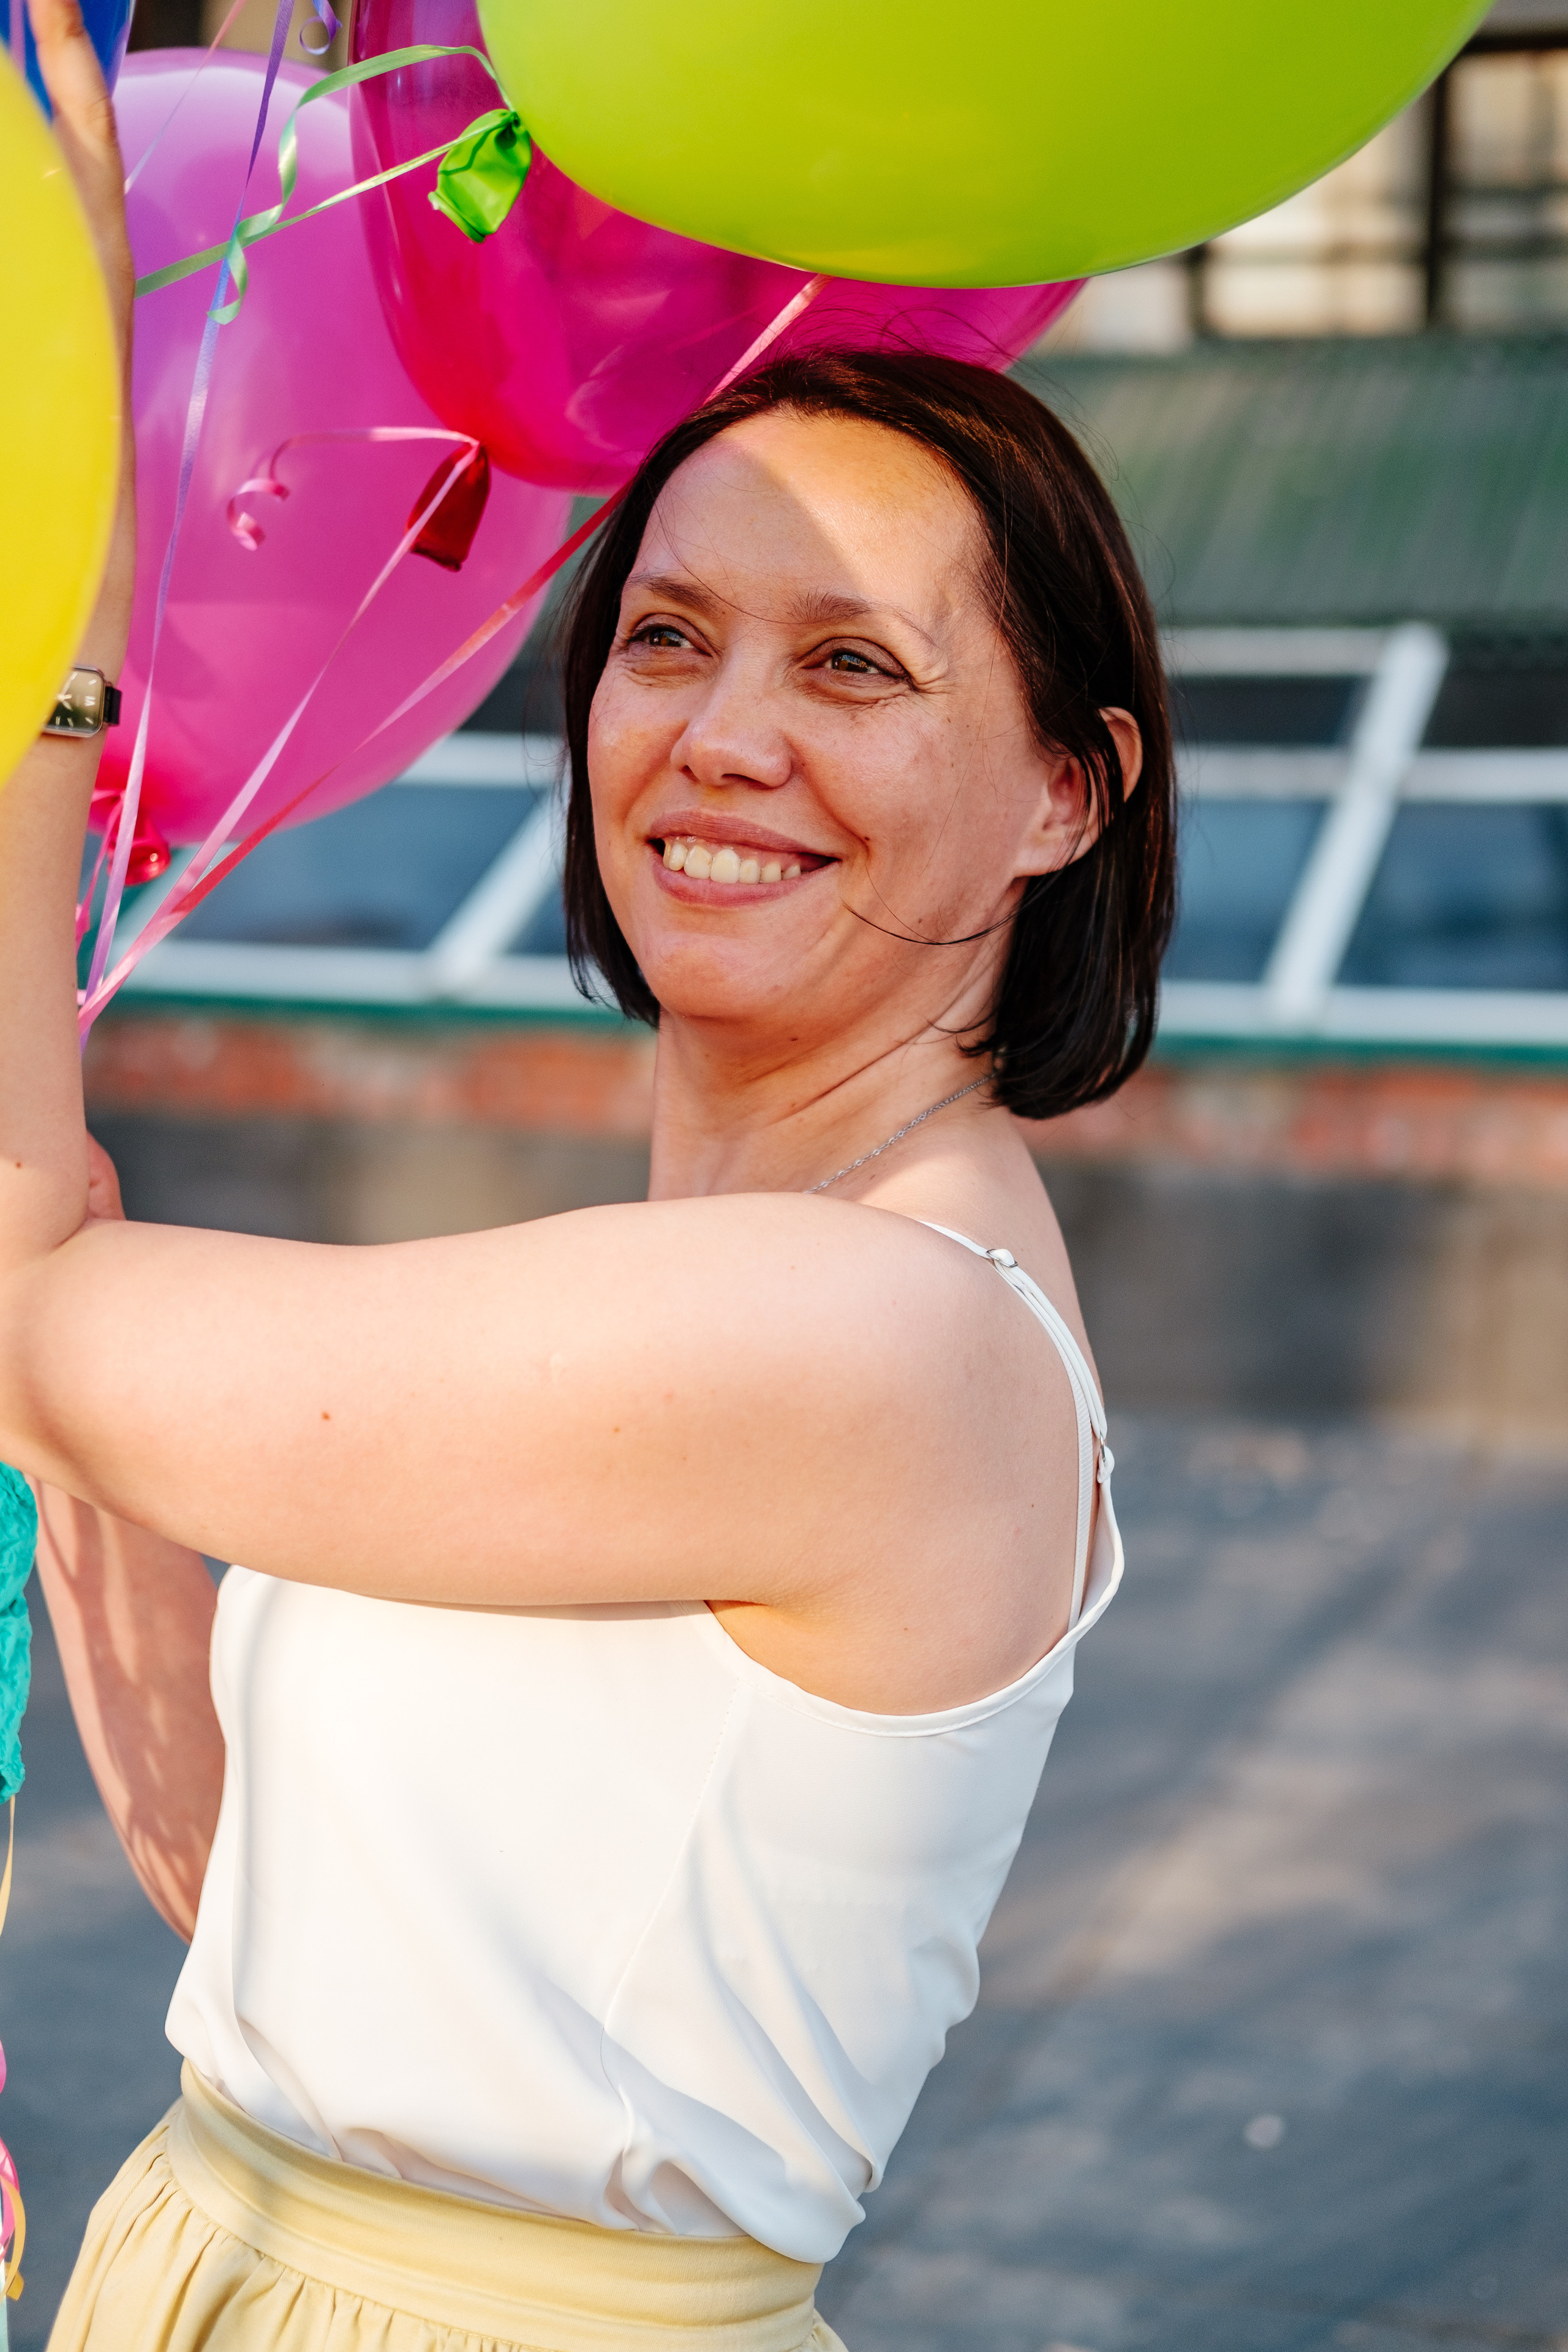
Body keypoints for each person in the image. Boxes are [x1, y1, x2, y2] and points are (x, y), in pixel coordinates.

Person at [6, 1, 1175, 2342]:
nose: (724, 740)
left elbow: (23, 1313)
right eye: (665, 636)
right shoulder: (712, 1279)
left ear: (1071, 788)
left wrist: (60, 667)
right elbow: (255, 1870)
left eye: (854, 666)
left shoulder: (886, 1332)